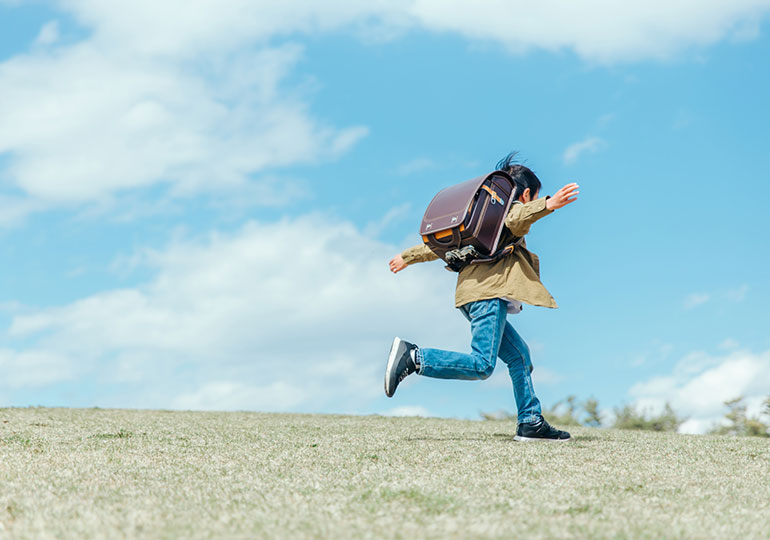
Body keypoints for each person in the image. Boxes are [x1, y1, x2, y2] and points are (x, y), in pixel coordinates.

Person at [385, 152, 579, 442]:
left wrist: (406, 256)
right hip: (488, 295)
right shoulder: (508, 212)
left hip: (472, 294)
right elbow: (518, 216)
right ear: (526, 194)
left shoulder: (482, 219)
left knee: (519, 356)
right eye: (534, 197)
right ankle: (414, 357)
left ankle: (530, 421)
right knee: (482, 365)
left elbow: (437, 245)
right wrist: (548, 205)